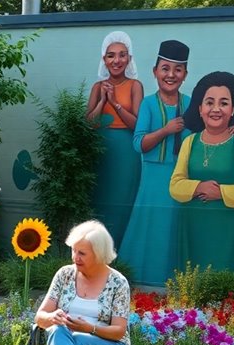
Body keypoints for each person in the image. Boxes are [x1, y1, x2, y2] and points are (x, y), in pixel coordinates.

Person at [34, 221, 130, 345]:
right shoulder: (65, 275)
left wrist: (89, 328)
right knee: (58, 330)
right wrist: (52, 317)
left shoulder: (118, 282)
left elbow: (119, 331)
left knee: (71, 344)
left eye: (82, 253)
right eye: (74, 251)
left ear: (99, 253)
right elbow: (40, 318)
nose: (75, 257)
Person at [119, 40, 190, 287]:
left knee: (174, 229)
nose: (171, 75)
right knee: (148, 227)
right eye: (165, 68)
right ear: (155, 71)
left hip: (181, 179)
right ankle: (138, 282)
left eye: (177, 69)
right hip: (152, 179)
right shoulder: (148, 104)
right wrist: (166, 130)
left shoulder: (191, 103)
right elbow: (139, 144)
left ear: (185, 74)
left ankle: (175, 284)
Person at [169, 71, 234, 273]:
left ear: (233, 109)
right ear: (200, 109)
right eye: (209, 102)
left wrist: (221, 192)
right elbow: (175, 186)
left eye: (224, 103)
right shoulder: (189, 142)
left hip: (229, 231)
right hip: (193, 229)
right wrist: (198, 186)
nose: (216, 109)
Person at [85, 31, 144, 248]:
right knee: (99, 200)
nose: (116, 60)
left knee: (121, 203)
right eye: (111, 55)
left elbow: (137, 124)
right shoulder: (97, 87)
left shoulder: (135, 85)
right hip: (100, 150)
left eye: (122, 55)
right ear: (104, 59)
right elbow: (89, 123)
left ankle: (118, 254)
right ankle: (96, 252)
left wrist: (115, 104)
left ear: (129, 58)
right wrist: (102, 100)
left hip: (126, 153)